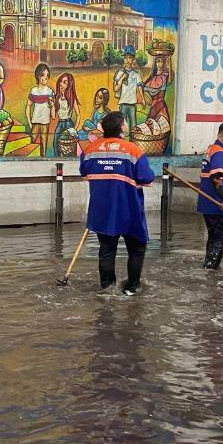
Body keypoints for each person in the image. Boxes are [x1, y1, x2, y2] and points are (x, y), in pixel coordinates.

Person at [79, 111, 155, 295]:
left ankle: (107, 288)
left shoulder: (90, 149)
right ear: (122, 127)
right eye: (126, 122)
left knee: (106, 249)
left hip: (101, 210)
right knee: (137, 248)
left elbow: (84, 171)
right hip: (129, 209)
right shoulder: (133, 150)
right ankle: (132, 287)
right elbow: (146, 177)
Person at [198, 122, 223, 269]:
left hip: (210, 204)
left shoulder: (213, 150)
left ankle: (209, 267)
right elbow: (216, 179)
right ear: (220, 135)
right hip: (217, 205)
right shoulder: (219, 152)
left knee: (214, 236)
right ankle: (211, 268)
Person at [25, 63, 55, 157]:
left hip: (45, 122)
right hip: (35, 121)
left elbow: (53, 114)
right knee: (32, 141)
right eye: (42, 75)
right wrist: (30, 123)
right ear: (37, 76)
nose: (45, 78)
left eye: (47, 75)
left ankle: (43, 160)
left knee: (44, 143)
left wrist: (52, 106)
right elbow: (28, 106)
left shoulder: (50, 91)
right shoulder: (33, 91)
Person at [113, 44, 142, 131]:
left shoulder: (136, 74)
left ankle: (132, 142)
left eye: (130, 57)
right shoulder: (120, 72)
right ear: (123, 59)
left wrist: (143, 98)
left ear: (134, 59)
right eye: (126, 58)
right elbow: (115, 89)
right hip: (123, 103)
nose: (128, 60)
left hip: (132, 103)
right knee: (121, 125)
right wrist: (122, 78)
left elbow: (140, 87)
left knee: (133, 126)